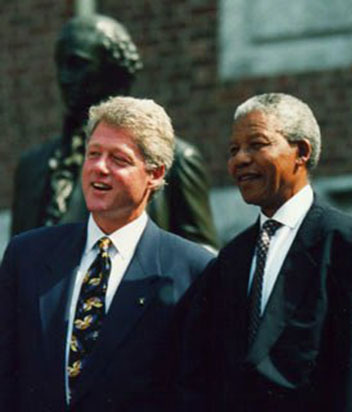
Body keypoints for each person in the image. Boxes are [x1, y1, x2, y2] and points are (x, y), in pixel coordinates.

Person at [0, 96, 214, 411]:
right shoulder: (27, 254)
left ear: (154, 174)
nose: (99, 167)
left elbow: (196, 395)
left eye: (118, 159)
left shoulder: (193, 271)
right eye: (93, 154)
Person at [181, 93, 352, 412]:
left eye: (256, 144)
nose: (240, 159)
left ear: (301, 152)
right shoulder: (231, 259)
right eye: (233, 150)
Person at [11, 14, 219, 251]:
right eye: (61, 65)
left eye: (78, 64)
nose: (65, 78)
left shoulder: (178, 162)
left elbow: (202, 263)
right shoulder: (32, 166)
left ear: (114, 71)